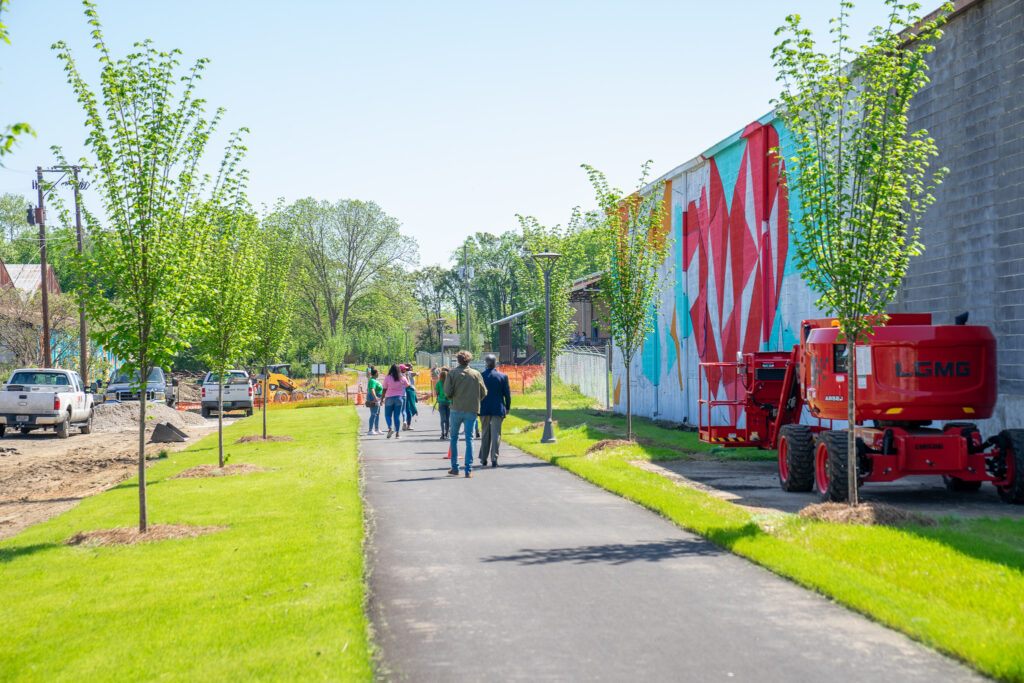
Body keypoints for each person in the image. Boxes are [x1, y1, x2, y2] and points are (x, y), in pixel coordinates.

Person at [443, 350, 486, 478]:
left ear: (458, 360)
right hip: (471, 409)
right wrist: (475, 400)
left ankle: (455, 468)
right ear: (470, 361)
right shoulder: (476, 374)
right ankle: (468, 470)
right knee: (469, 439)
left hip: (456, 408)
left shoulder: (452, 373)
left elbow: (447, 392)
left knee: (454, 438)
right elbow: (484, 392)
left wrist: (453, 397)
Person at [478, 354, 511, 467]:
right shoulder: (503, 376)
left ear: (486, 364)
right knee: (496, 433)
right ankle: (494, 458)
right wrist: (507, 407)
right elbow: (507, 394)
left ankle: (483, 458)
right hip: (498, 407)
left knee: (485, 433)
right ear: (495, 363)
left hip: (484, 408)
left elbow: (478, 394)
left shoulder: (481, 376)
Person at [381, 364, 410, 439]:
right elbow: (407, 386)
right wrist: (407, 378)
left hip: (389, 398)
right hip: (399, 398)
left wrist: (382, 399)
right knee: (397, 416)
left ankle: (390, 428)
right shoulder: (401, 377)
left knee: (387, 415)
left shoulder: (388, 378)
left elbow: (384, 389)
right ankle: (397, 433)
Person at [435, 366, 451, 441]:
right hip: (449, 402)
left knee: (442, 419)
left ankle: (442, 433)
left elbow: (436, 392)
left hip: (441, 402)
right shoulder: (449, 383)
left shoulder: (438, 383)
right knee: (448, 419)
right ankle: (447, 433)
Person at [366, 368, 383, 435]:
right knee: (373, 414)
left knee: (377, 414)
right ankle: (370, 430)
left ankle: (377, 429)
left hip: (378, 397)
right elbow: (372, 389)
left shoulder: (374, 380)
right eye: (377, 372)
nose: (378, 374)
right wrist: (375, 398)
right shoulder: (372, 380)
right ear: (375, 373)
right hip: (374, 397)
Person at [402, 364, 419, 429]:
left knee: (406, 408)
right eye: (411, 366)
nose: (412, 367)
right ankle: (408, 424)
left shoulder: (401, 374)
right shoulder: (409, 373)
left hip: (404, 392)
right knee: (411, 407)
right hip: (410, 390)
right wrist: (417, 373)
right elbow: (415, 374)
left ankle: (405, 421)